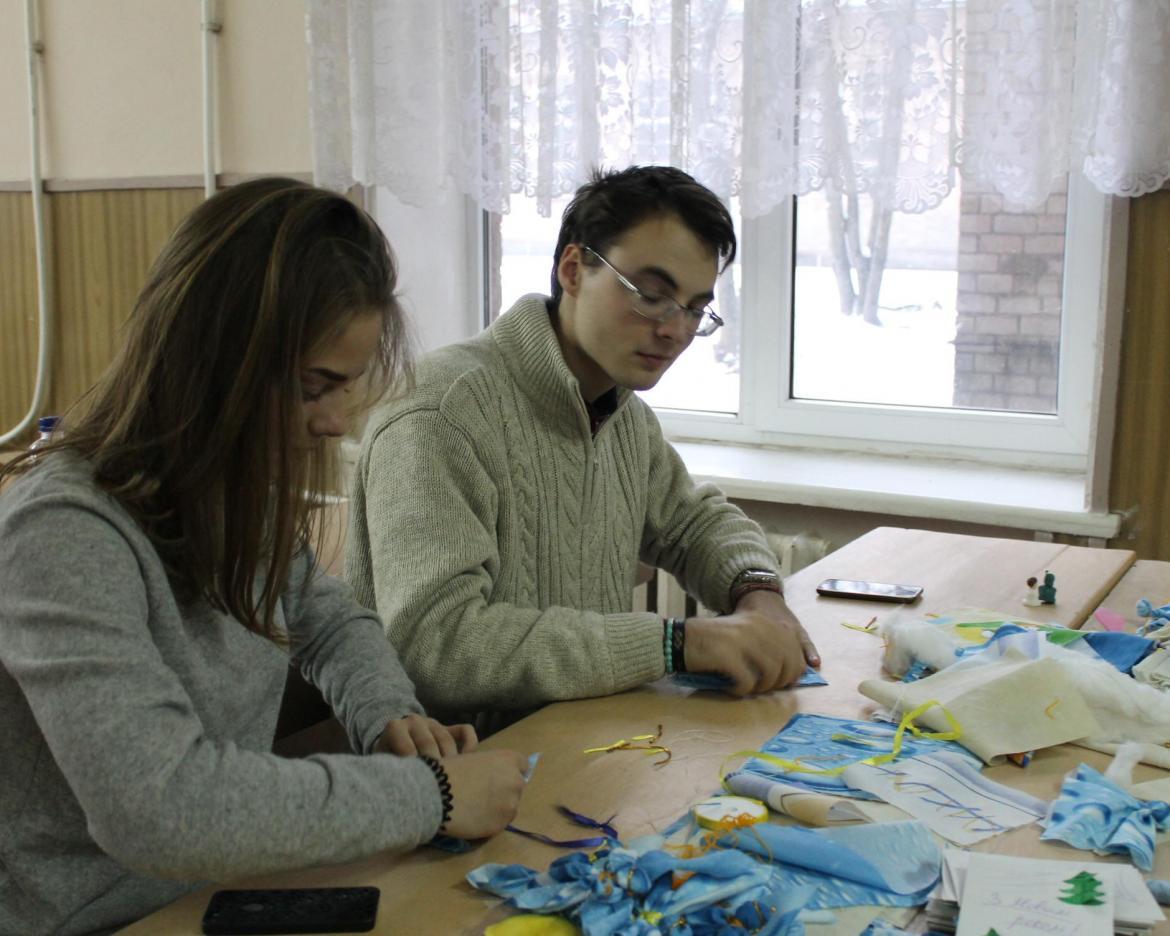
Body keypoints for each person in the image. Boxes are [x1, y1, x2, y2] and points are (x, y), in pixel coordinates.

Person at [0, 177, 528, 936]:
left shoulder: (233, 492)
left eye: (345, 388)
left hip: (219, 891)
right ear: (213, 362)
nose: (337, 421)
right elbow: (160, 808)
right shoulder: (61, 531)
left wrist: (388, 713)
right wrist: (433, 796)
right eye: (316, 387)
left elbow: (330, 622)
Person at [346, 165, 821, 732]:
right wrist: (676, 644)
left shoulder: (620, 412)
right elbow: (439, 645)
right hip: (461, 764)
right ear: (573, 270)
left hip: (587, 738)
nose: (674, 330)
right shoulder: (441, 414)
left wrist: (758, 592)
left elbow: (693, 524)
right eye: (652, 295)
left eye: (695, 308)